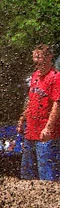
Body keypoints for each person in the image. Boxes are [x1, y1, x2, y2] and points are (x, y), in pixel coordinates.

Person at [19, 44, 60, 181]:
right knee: (27, 174)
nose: (36, 61)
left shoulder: (55, 77)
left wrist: (48, 127)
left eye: (39, 57)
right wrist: (22, 119)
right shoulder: (35, 76)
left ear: (49, 57)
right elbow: (31, 99)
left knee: (47, 174)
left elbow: (57, 103)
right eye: (34, 57)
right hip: (30, 131)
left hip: (47, 134)